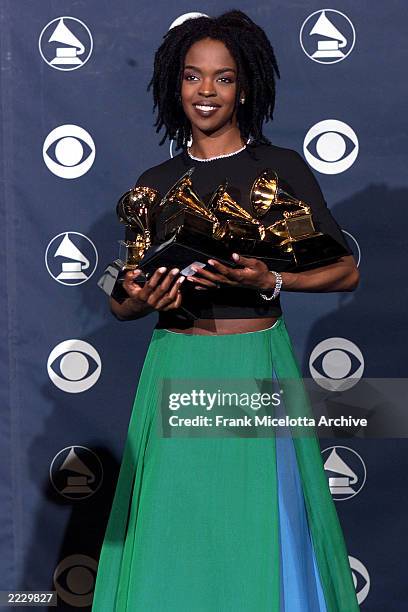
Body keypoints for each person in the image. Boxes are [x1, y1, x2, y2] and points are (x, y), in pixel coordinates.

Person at [92, 10, 360, 611]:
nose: (206, 92)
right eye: (193, 77)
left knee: (260, 519)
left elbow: (346, 268)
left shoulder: (280, 170)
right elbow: (119, 296)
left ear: (246, 88)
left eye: (223, 78)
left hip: (253, 360)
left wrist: (275, 278)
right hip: (175, 361)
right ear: (175, 85)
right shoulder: (154, 184)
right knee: (176, 522)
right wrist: (140, 297)